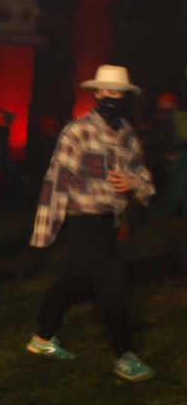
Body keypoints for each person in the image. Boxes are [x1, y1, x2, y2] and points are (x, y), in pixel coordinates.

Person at [27, 65, 156, 382]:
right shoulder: (77, 131)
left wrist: (133, 183)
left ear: (124, 96)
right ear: (97, 93)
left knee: (75, 281)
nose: (113, 97)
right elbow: (56, 181)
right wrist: (46, 229)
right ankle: (123, 354)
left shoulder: (126, 133)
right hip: (83, 220)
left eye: (118, 92)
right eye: (107, 91)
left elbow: (142, 177)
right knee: (113, 284)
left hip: (109, 222)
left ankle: (41, 338)